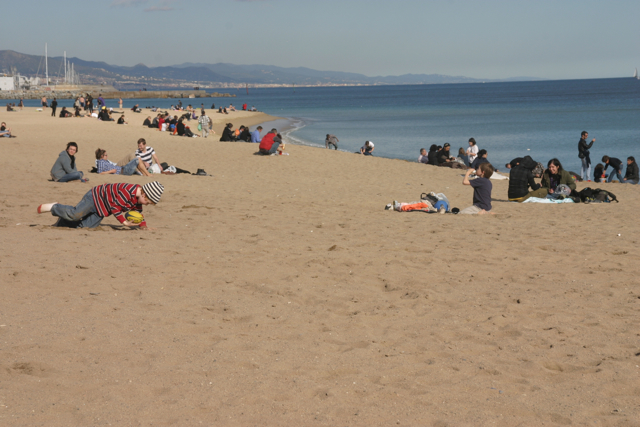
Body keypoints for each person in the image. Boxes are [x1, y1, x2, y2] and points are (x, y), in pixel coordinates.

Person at [37, 181, 163, 230]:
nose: (146, 204)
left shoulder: (137, 201)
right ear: (144, 194)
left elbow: (139, 214)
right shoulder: (128, 191)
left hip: (103, 209)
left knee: (84, 226)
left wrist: (143, 226)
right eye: (148, 202)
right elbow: (115, 208)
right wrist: (124, 222)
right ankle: (54, 207)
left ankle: (62, 221)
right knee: (75, 214)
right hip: (95, 197)